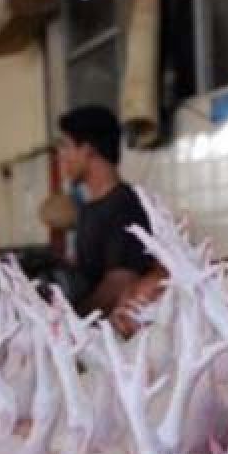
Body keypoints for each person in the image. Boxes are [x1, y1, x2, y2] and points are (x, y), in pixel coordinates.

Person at [56, 104, 163, 331]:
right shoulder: (88, 209)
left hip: (123, 337)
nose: (61, 157)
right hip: (96, 333)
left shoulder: (125, 204)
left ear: (87, 149)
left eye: (66, 147)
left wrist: (71, 322)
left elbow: (121, 282)